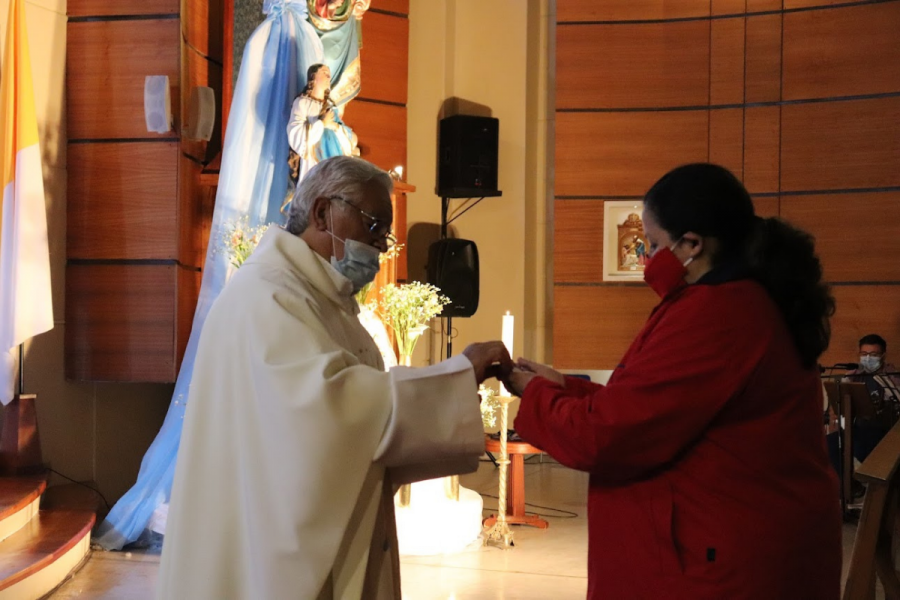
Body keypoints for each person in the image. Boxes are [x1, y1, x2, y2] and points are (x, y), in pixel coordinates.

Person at [156, 156, 512, 599]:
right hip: (264, 556)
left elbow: (354, 416)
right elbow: (333, 410)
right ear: (323, 212)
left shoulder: (312, 294)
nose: (381, 245)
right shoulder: (267, 296)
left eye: (385, 231)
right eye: (374, 225)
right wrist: (456, 377)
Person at [503, 163, 842, 599]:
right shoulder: (737, 299)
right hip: (736, 540)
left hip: (721, 560)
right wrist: (563, 388)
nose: (646, 257)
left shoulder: (718, 312)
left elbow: (608, 435)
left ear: (692, 244)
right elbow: (656, 404)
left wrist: (534, 393)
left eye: (653, 243)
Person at [826, 334, 900, 479]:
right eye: (864, 354)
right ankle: (850, 486)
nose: (867, 358)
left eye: (873, 354)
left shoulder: (893, 376)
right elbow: (838, 402)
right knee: (828, 443)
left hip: (884, 431)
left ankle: (874, 485)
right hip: (857, 428)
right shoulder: (853, 375)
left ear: (883, 355)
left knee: (860, 445)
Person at [287, 63, 359, 186]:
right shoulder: (302, 103)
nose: (328, 78)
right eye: (324, 73)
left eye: (329, 75)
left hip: (334, 162)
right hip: (314, 162)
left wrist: (335, 127)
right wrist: (322, 124)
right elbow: (295, 133)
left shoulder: (331, 108)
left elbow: (350, 139)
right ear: (313, 77)